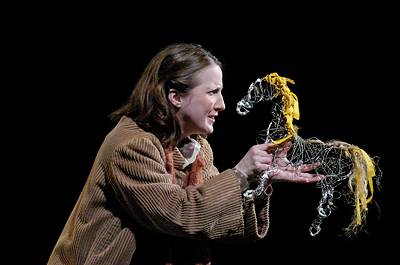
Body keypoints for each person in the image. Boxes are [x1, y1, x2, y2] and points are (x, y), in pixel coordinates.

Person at [47, 43, 322, 265]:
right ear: (175, 96)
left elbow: (216, 221)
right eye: (213, 92)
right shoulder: (131, 145)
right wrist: (239, 174)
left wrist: (260, 181)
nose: (222, 104)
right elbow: (181, 214)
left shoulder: (197, 147)